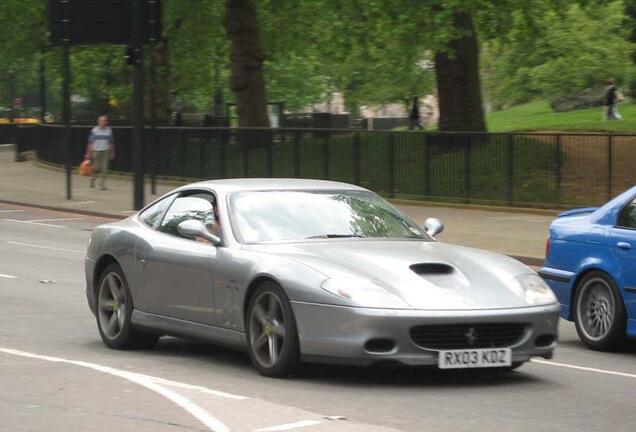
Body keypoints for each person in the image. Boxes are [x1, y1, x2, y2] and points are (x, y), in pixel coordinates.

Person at [85, 115, 115, 190]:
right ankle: (93, 178)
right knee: (96, 168)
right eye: (100, 120)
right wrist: (88, 153)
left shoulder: (109, 130)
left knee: (105, 168)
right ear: (98, 122)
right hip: (96, 151)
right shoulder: (94, 130)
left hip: (105, 151)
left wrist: (112, 152)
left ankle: (102, 184)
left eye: (104, 120)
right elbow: (90, 142)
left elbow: (111, 142)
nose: (102, 122)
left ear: (106, 122)